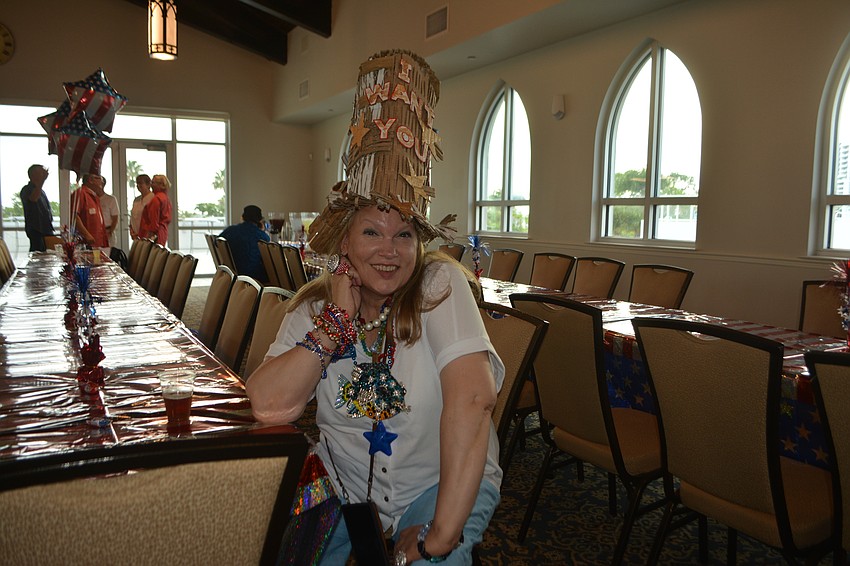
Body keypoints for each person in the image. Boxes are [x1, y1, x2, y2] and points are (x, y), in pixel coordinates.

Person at [246, 50, 503, 566]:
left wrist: (439, 535)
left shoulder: (438, 285)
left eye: (404, 235)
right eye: (371, 232)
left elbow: (474, 400)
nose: (390, 250)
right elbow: (267, 406)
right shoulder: (314, 308)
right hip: (344, 490)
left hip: (439, 483)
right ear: (344, 242)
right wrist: (333, 328)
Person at [218, 205, 270, 281]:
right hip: (254, 274)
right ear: (260, 219)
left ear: (243, 217)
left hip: (233, 271)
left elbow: (216, 242)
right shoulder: (261, 235)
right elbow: (266, 246)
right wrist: (262, 230)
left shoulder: (230, 230)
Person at [20, 164, 54, 252]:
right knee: (37, 254)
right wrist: (42, 181)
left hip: (46, 230)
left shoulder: (42, 191)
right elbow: (33, 199)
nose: (44, 174)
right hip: (36, 230)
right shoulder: (26, 189)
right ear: (33, 175)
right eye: (41, 172)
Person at [71, 174, 108, 248]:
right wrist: (87, 235)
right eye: (99, 178)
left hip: (97, 242)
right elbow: (74, 216)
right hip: (86, 243)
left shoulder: (94, 196)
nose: (102, 181)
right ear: (91, 180)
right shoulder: (80, 193)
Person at [94, 176, 120, 248]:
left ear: (102, 185)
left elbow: (115, 218)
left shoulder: (111, 199)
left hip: (107, 232)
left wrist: (110, 232)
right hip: (95, 233)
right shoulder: (91, 199)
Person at [148, 174, 172, 245]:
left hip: (156, 233)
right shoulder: (166, 198)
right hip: (163, 232)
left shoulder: (156, 199)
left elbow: (154, 220)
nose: (151, 185)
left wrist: (150, 235)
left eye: (153, 182)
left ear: (161, 185)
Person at [130, 174, 156, 240]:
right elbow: (132, 217)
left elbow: (153, 219)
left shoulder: (153, 198)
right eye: (137, 183)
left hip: (148, 236)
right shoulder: (136, 200)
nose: (138, 185)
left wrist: (145, 234)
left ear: (148, 185)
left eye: (141, 183)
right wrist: (132, 231)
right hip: (136, 236)